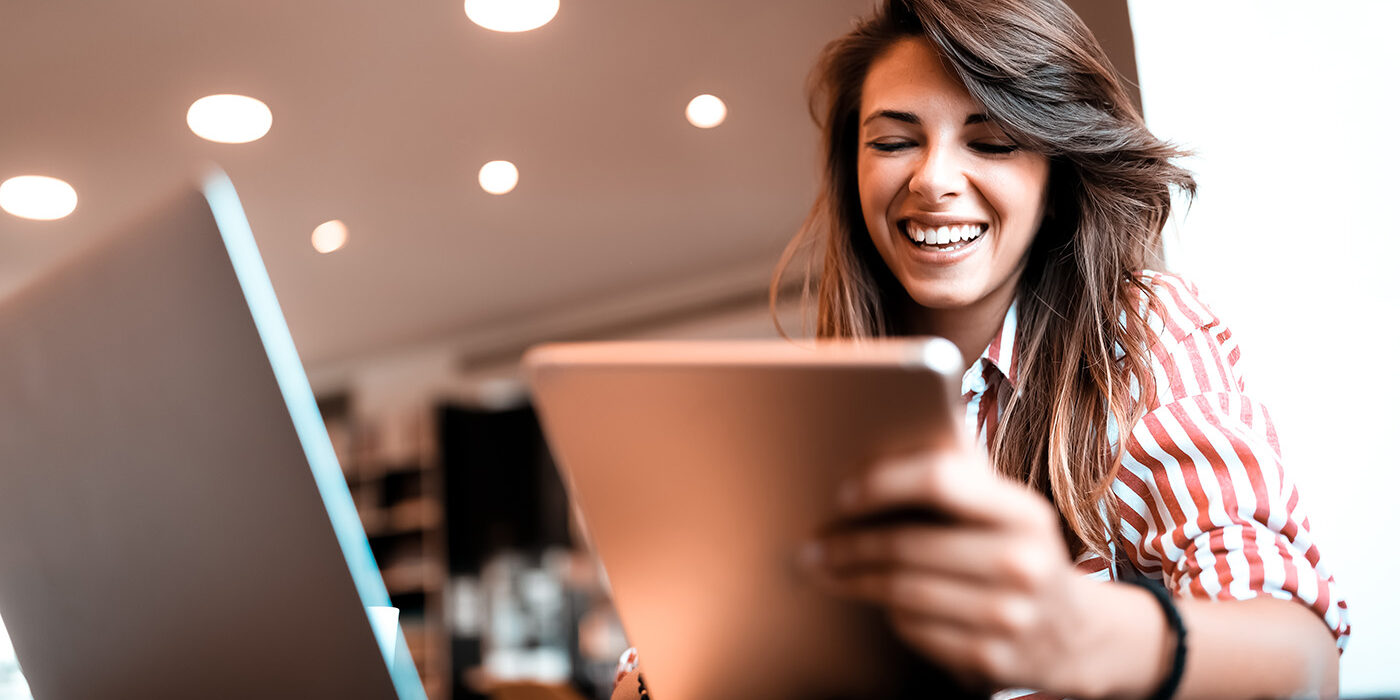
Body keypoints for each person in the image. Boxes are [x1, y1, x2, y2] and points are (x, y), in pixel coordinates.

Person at [614, 0, 1348, 697]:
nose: (932, 180)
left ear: (1055, 179)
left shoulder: (1133, 335)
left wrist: (1077, 631)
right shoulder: (819, 406)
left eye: (992, 142)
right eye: (894, 141)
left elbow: (1303, 661)